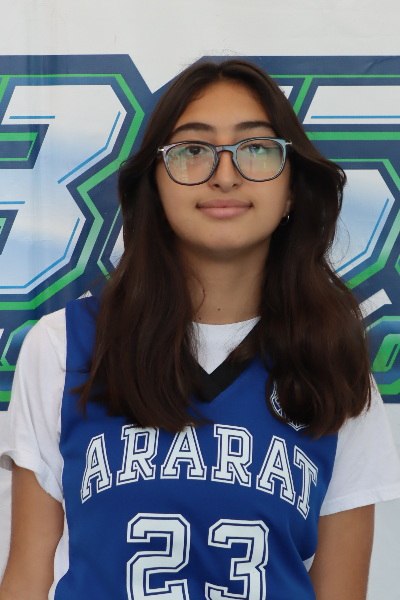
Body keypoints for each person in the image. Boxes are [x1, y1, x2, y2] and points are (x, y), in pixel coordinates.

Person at [0, 58, 400, 600]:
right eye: (193, 150)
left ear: (291, 189)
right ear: (155, 183)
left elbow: (341, 592)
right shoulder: (63, 346)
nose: (225, 175)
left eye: (256, 148)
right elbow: (27, 577)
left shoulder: (334, 364)